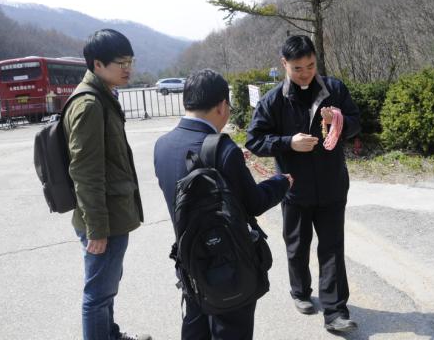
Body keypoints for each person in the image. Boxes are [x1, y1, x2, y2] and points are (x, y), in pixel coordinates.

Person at [154, 69, 292, 340]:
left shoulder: (163, 145)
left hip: (190, 259)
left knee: (195, 326)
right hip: (228, 264)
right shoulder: (223, 149)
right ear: (221, 106)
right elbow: (254, 202)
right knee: (230, 329)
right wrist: (281, 182)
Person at [245, 35, 361, 333]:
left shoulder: (334, 89)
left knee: (332, 248)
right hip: (294, 189)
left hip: (332, 185)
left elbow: (356, 123)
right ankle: (300, 292)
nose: (306, 73)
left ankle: (335, 311)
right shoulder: (273, 100)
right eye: (298, 68)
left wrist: (338, 121)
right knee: (297, 246)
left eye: (310, 66)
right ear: (284, 64)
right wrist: (288, 143)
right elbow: (254, 140)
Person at [63, 29, 151, 340]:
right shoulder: (90, 104)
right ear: (97, 64)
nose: (128, 69)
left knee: (106, 287)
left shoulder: (102, 95)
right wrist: (97, 228)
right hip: (104, 219)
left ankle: (109, 334)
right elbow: (85, 173)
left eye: (130, 62)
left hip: (110, 213)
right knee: (98, 293)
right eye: (121, 63)